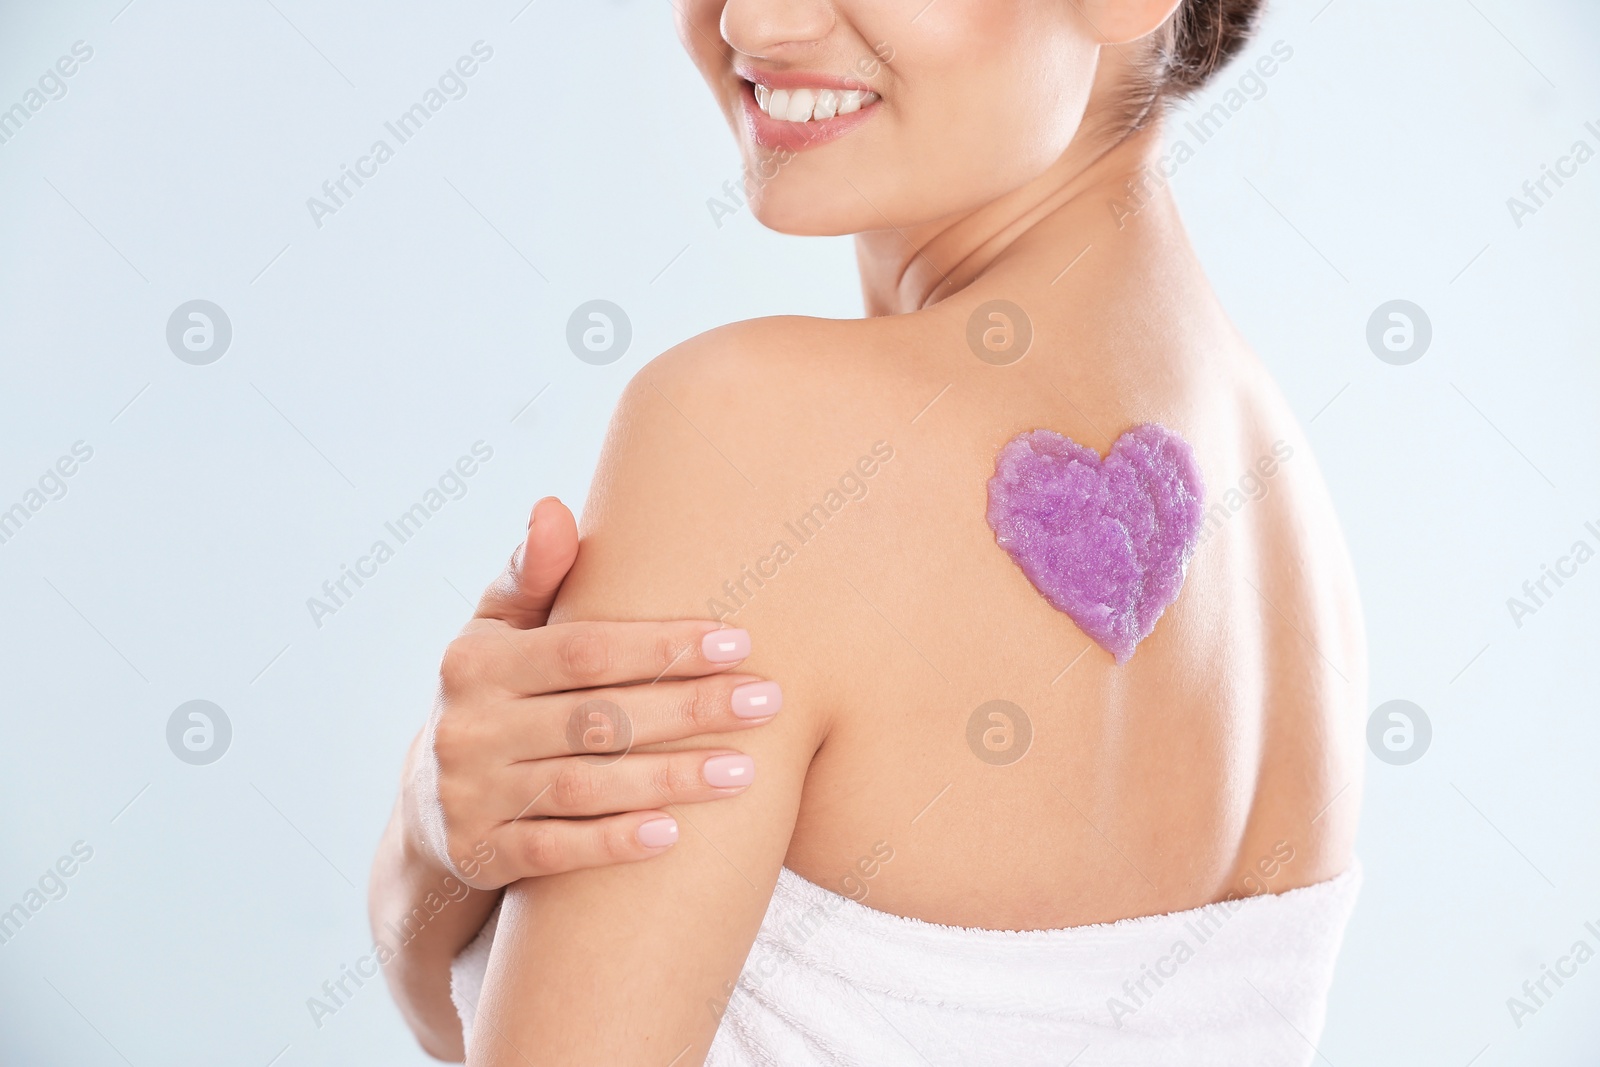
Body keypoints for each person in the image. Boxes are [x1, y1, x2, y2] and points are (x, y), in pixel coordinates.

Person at [374, 0, 1368, 1063]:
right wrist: (436, 842)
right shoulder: (1282, 496)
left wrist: (417, 865)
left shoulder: (756, 432)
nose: (756, 19)